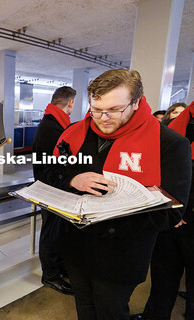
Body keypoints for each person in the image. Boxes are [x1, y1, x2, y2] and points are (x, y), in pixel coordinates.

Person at [45, 69, 191, 320]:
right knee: (85, 308)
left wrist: (109, 219)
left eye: (114, 110)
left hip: (121, 254)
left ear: (136, 102)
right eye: (96, 109)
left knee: (111, 311)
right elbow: (50, 171)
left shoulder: (169, 143)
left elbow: (172, 212)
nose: (102, 118)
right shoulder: (76, 133)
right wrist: (71, 179)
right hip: (75, 246)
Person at [133, 100, 194, 320]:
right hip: (169, 217)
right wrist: (173, 210)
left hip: (188, 217)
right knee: (163, 274)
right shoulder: (176, 128)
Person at [31, 86, 76, 295]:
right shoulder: (53, 127)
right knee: (50, 233)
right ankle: (50, 275)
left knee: (57, 232)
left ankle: (58, 268)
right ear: (70, 103)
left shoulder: (53, 123)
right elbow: (53, 163)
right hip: (49, 190)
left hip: (54, 188)